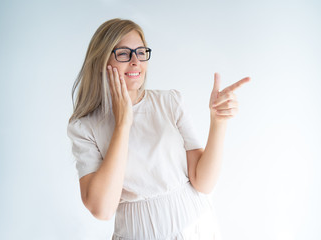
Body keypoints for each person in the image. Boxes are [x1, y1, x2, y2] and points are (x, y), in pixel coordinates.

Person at [67, 18, 250, 240]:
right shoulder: (84, 127)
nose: (135, 61)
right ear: (102, 60)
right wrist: (123, 123)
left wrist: (218, 122)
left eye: (141, 52)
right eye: (123, 53)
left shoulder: (169, 102)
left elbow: (203, 182)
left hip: (197, 227)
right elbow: (102, 209)